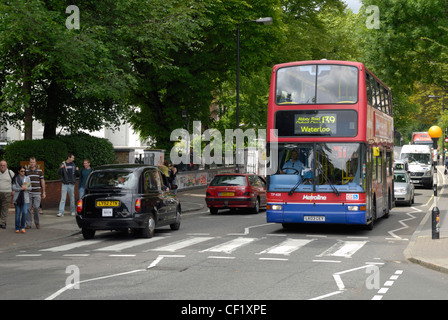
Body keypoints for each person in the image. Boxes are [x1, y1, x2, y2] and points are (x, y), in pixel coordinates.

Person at [25, 157, 46, 229]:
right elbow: (26, 182)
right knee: (28, 208)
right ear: (29, 163)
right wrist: (26, 190)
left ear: (35, 163)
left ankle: (37, 223)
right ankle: (28, 224)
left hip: (37, 192)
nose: (32, 163)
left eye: (33, 162)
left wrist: (44, 192)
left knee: (36, 208)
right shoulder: (27, 171)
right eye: (31, 162)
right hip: (29, 193)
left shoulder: (40, 171)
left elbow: (42, 181)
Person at [12, 166, 30, 233]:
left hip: (25, 198)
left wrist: (26, 188)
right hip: (17, 198)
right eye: (21, 171)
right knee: (18, 213)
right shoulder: (15, 178)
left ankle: (22, 226)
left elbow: (30, 188)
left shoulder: (27, 178)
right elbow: (13, 187)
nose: (23, 172)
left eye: (24, 171)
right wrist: (21, 188)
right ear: (18, 171)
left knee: (25, 212)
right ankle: (17, 227)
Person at [0, 160, 14, 229]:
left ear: (6, 166)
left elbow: (14, 182)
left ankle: (3, 223)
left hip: (7, 193)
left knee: (4, 208)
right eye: (1, 165)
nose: (2, 166)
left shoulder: (10, 172)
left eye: (4, 165)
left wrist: (13, 190)